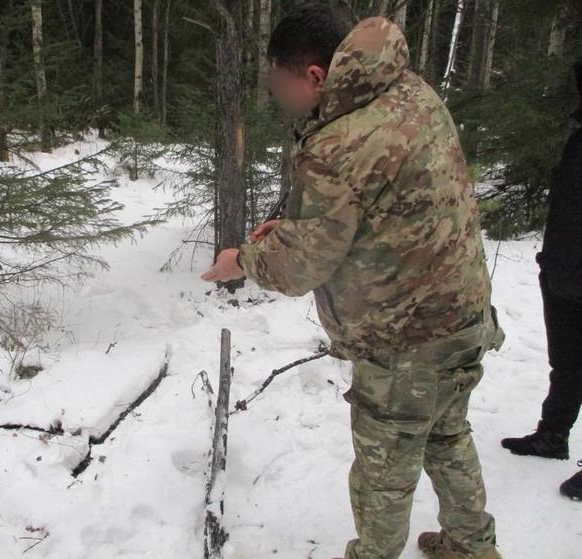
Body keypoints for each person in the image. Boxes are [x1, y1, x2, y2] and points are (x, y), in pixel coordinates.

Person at [200, 3, 506, 558]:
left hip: (405, 337)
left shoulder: (338, 145)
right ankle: (471, 546)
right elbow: (377, 208)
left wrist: (242, 260)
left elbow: (300, 267)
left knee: (384, 470)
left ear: (316, 77)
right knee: (445, 434)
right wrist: (296, 227)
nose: (278, 97)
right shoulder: (407, 89)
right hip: (462, 312)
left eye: (280, 83)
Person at [501, 61, 582, 501]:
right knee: (565, 365)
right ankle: (553, 436)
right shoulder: (577, 135)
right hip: (562, 270)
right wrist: (550, 263)